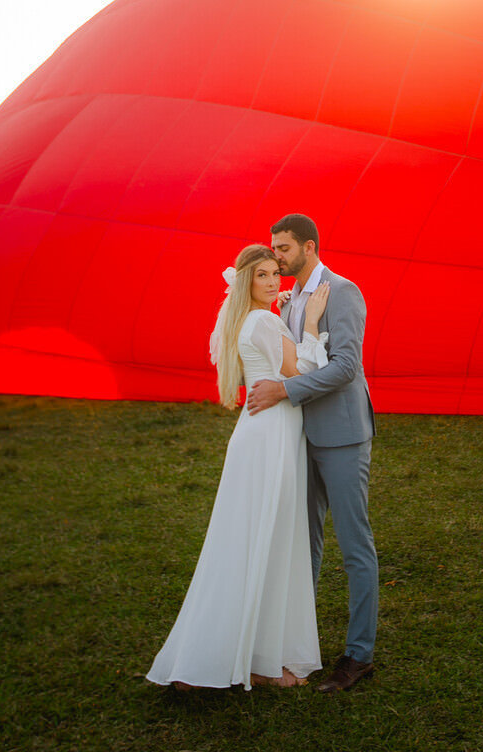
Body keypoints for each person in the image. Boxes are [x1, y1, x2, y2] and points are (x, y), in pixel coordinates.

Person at [146, 243, 331, 691]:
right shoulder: (265, 320)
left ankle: (235, 653)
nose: (272, 283)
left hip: (255, 435)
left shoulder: (239, 319)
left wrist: (277, 312)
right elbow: (299, 371)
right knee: (271, 537)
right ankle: (261, 660)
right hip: (272, 437)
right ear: (247, 281)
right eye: (262, 276)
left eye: (275, 275)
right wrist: (308, 326)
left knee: (245, 539)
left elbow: (261, 357)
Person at [247, 214, 378, 694]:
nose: (276, 256)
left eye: (283, 249)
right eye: (273, 248)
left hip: (342, 436)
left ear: (310, 246)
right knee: (303, 543)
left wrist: (285, 390)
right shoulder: (290, 299)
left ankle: (359, 655)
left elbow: (346, 366)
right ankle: (297, 647)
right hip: (302, 437)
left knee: (354, 545)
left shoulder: (343, 292)